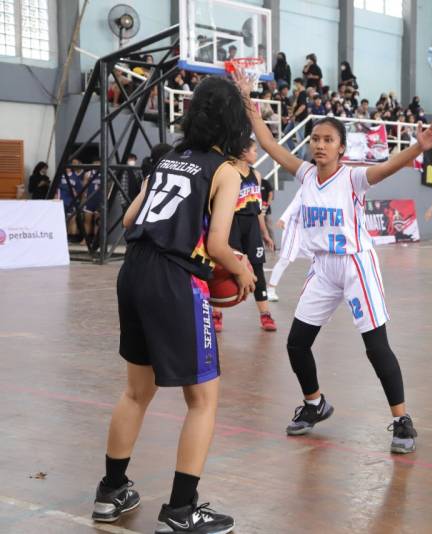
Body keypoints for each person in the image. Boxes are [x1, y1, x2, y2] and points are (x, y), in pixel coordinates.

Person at [236, 68, 432, 454]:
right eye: (316, 139)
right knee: (297, 344)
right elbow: (266, 141)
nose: (320, 145)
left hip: (355, 265)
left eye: (328, 140)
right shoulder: (305, 175)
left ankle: (402, 420)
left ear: (341, 148)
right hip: (323, 268)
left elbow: (387, 167)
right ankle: (315, 403)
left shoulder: (353, 178)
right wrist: (248, 98)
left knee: (376, 346)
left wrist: (418, 147)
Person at [92, 76, 257, 533]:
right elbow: (219, 244)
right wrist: (242, 270)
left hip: (133, 270)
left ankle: (111, 491)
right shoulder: (226, 171)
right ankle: (182, 510)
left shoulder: (167, 158)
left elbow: (130, 219)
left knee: (136, 392)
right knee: (203, 400)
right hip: (173, 280)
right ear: (234, 123)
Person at [212, 138, 277, 332]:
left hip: (252, 226)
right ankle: (216, 313)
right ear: (243, 152)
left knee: (257, 269)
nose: (257, 154)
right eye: (254, 150)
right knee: (223, 267)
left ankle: (265, 314)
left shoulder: (256, 175)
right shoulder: (226, 171)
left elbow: (258, 210)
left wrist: (265, 233)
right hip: (230, 222)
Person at [266, 189, 307, 302]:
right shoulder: (307, 185)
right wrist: (283, 218)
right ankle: (270, 290)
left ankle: (314, 291)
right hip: (295, 228)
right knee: (285, 260)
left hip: (309, 229)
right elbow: (295, 203)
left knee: (318, 259)